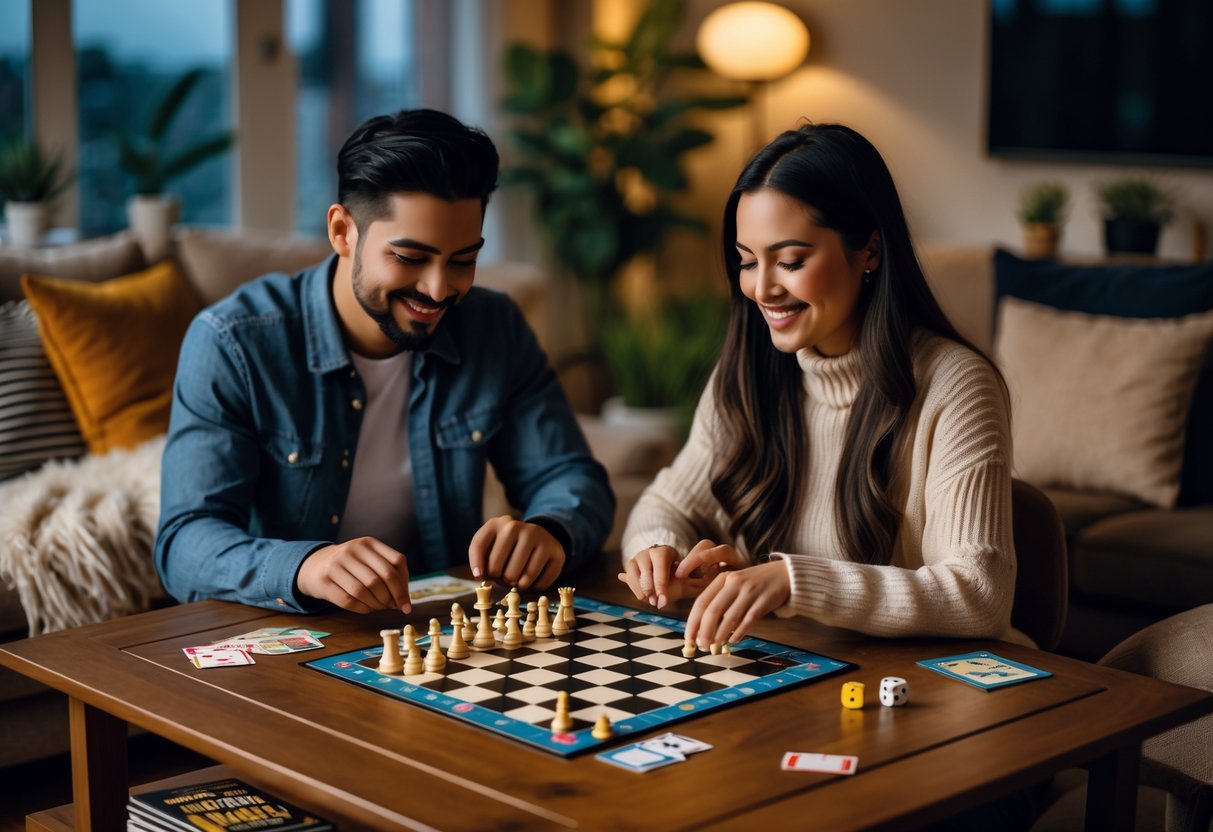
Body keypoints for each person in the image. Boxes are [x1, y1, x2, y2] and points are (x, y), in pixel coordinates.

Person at [155, 109, 613, 614]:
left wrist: (549, 530)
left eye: (463, 260)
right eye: (410, 258)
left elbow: (572, 477)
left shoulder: (495, 327)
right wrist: (307, 567)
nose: (439, 290)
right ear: (342, 231)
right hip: (288, 645)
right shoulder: (232, 343)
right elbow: (184, 544)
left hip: (438, 633)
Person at [618, 123, 1022, 650]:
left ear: (869, 251)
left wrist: (791, 581)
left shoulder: (956, 386)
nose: (762, 289)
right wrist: (662, 554)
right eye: (746, 261)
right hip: (800, 669)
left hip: (929, 689)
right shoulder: (748, 370)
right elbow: (663, 506)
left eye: (790, 261)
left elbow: (979, 594)